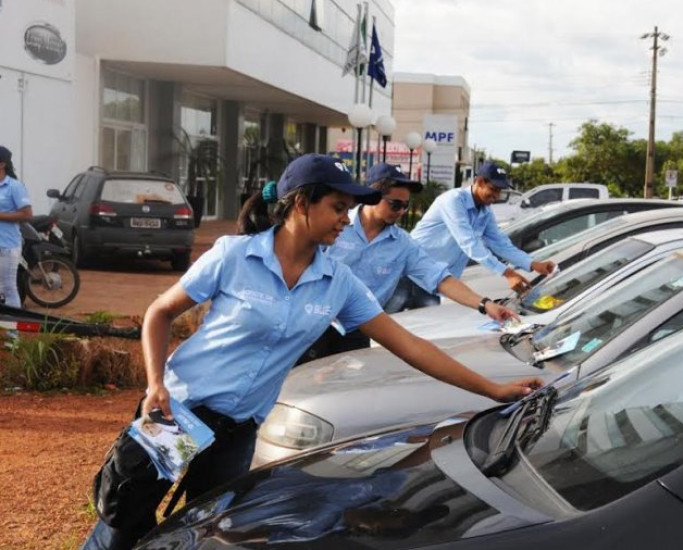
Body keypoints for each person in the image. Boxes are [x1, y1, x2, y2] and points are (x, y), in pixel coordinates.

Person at [80, 154, 542, 550]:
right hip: (178, 412)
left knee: (205, 534)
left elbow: (411, 347)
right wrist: (155, 384)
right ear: (301, 203)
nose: (346, 218)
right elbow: (160, 312)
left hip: (237, 432)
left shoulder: (337, 281)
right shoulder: (234, 256)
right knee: (122, 526)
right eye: (338, 207)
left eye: (350, 208)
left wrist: (492, 389)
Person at [301, 162, 518, 361]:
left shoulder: (402, 244)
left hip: (356, 332)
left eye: (405, 206)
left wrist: (485, 305)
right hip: (309, 325)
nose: (401, 212)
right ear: (372, 196)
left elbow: (439, 277)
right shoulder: (335, 225)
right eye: (395, 204)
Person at [389, 161, 556, 311]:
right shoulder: (453, 201)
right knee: (380, 329)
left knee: (420, 334)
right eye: (493, 189)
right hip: (407, 274)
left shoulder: (485, 212)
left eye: (499, 191)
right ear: (480, 182)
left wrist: (533, 264)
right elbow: (468, 242)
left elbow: (500, 244)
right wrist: (507, 273)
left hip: (434, 280)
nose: (496, 196)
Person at [0, 146, 32, 335]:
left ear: (2, 164)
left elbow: (27, 214)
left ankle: (14, 335)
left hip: (7, 246)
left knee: (9, 288)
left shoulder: (14, 187)